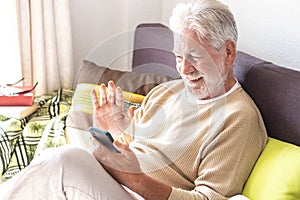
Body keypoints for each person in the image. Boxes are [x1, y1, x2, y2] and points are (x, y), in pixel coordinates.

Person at [2, 0, 267, 199]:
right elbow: (132, 149)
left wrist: (133, 178)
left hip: (140, 194)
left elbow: (208, 198)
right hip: (115, 185)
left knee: (65, 161)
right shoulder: (168, 92)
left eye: (195, 56)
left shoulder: (238, 117)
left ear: (228, 51)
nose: (183, 69)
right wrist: (113, 129)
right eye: (178, 56)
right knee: (60, 160)